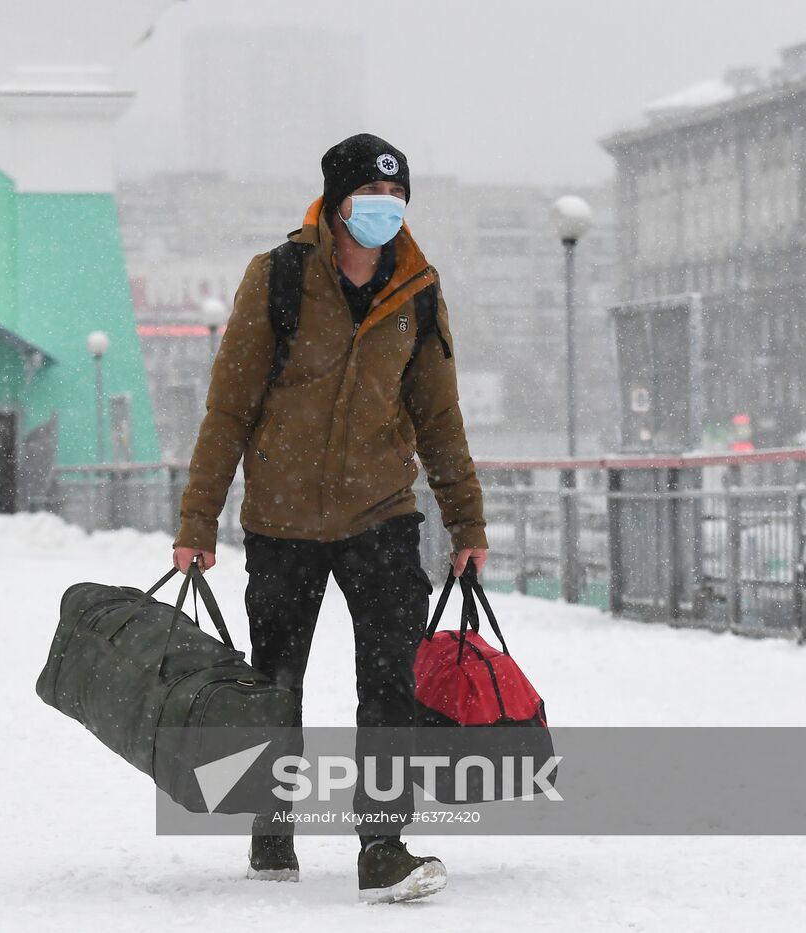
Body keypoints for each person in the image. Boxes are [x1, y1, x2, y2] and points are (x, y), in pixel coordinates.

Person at [171, 135, 488, 903]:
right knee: (276, 684)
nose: (385, 212)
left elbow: (439, 416)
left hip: (380, 515)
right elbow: (230, 408)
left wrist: (467, 524)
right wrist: (198, 521)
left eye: (396, 200)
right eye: (370, 199)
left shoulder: (416, 288)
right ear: (337, 202)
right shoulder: (278, 278)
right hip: (281, 523)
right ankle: (272, 819)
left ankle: (382, 845)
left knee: (387, 685)